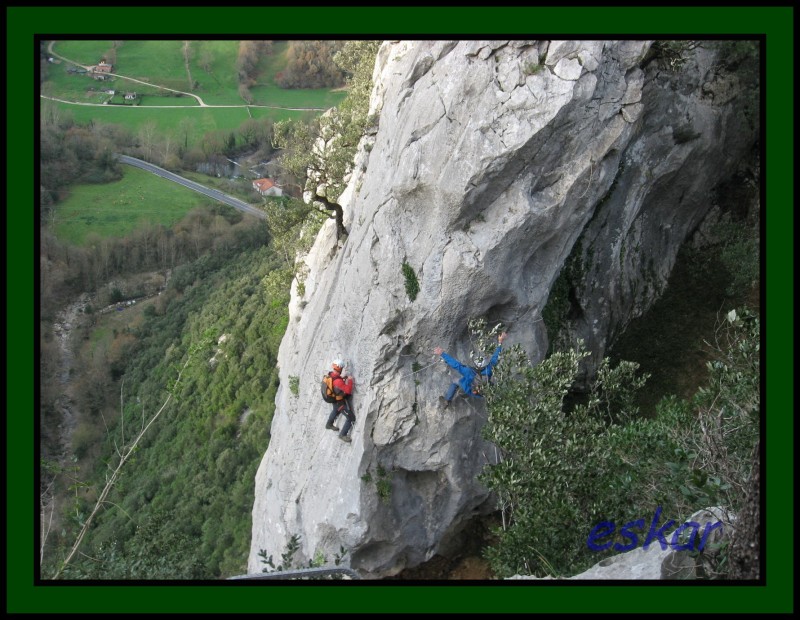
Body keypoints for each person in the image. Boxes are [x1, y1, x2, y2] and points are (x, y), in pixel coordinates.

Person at [434, 332, 507, 408]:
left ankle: (447, 401)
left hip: (470, 389)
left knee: (455, 381)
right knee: (471, 387)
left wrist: (443, 354)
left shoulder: (469, 372)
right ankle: (466, 393)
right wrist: (500, 342)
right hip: (484, 392)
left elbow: (456, 365)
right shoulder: (489, 369)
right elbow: (495, 357)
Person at [325, 359, 356, 443]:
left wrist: (342, 378)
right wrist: (349, 380)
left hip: (333, 398)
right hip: (339, 402)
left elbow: (336, 382)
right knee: (351, 417)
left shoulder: (330, 375)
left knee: (335, 410)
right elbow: (348, 390)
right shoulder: (338, 381)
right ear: (340, 368)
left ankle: (329, 424)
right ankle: (343, 434)